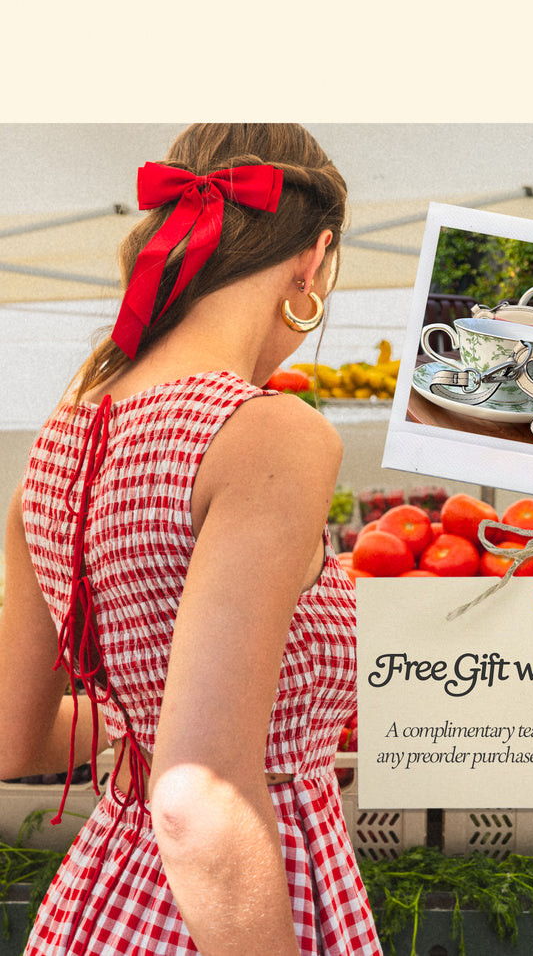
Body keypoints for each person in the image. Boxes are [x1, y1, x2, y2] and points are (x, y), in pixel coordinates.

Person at [0, 124, 383, 955]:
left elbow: (11, 734)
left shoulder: (61, 442)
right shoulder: (268, 433)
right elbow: (197, 796)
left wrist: (145, 730)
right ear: (311, 262)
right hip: (230, 900)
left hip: (104, 896)